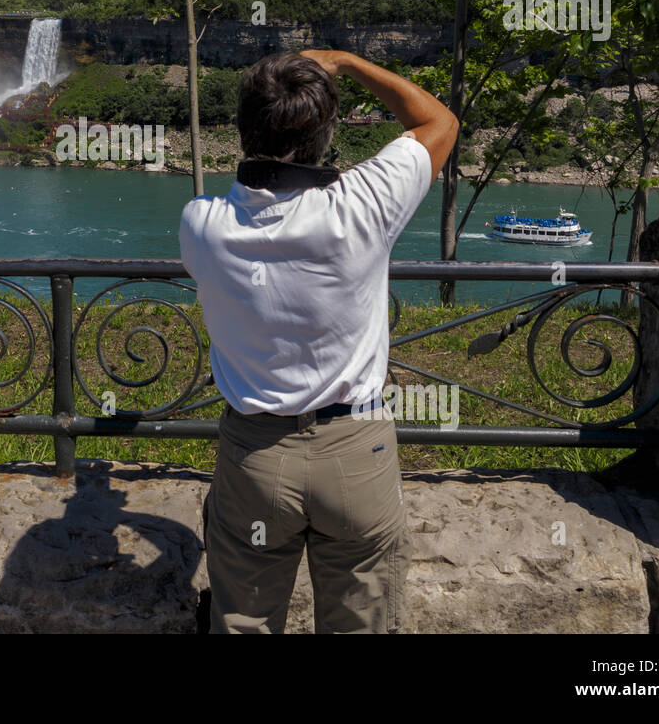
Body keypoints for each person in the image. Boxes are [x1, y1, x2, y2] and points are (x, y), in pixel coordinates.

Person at [178, 48, 458, 634]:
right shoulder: (363, 204)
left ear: (243, 128)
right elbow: (438, 122)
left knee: (242, 621)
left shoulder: (201, 224)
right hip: (356, 451)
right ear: (327, 132)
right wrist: (350, 63)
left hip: (255, 456)